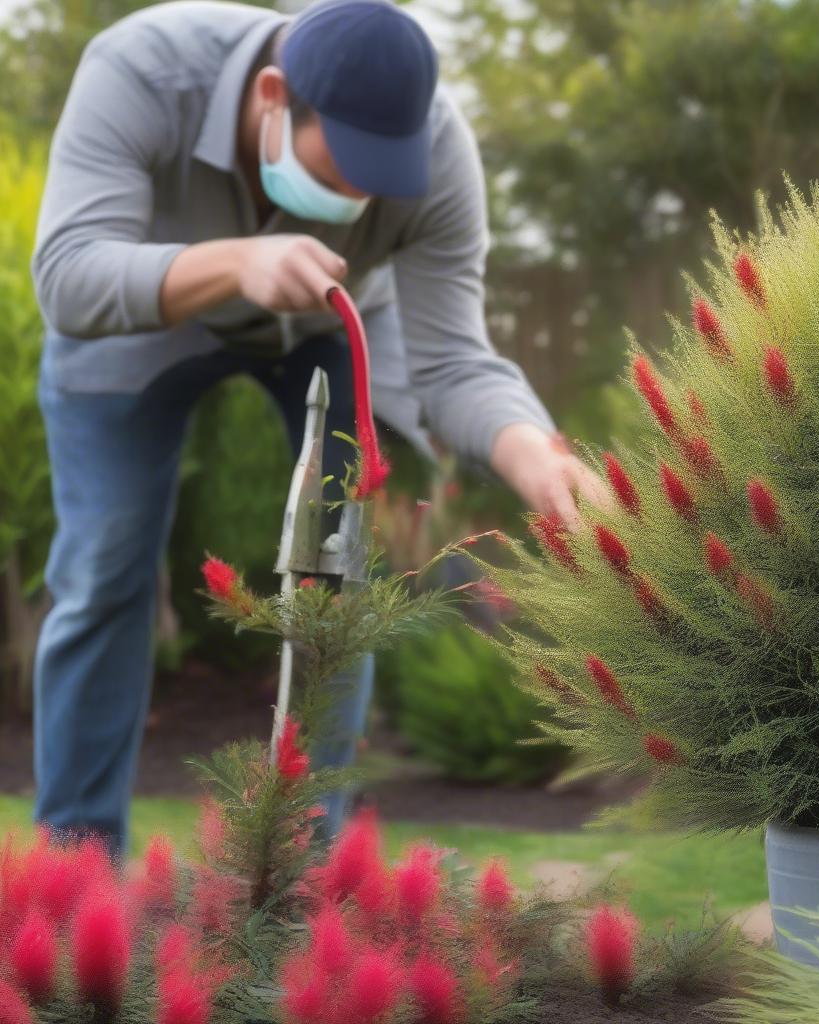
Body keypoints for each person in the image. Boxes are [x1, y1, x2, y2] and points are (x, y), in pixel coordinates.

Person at [30, 0, 609, 857]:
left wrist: (534, 454)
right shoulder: (145, 69)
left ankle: (299, 878)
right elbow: (68, 280)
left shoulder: (439, 150)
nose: (356, 200)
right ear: (273, 95)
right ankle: (75, 879)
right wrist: (236, 261)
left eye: (379, 178)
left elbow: (452, 361)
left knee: (335, 576)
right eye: (342, 171)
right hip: (142, 319)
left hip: (333, 328)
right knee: (105, 567)